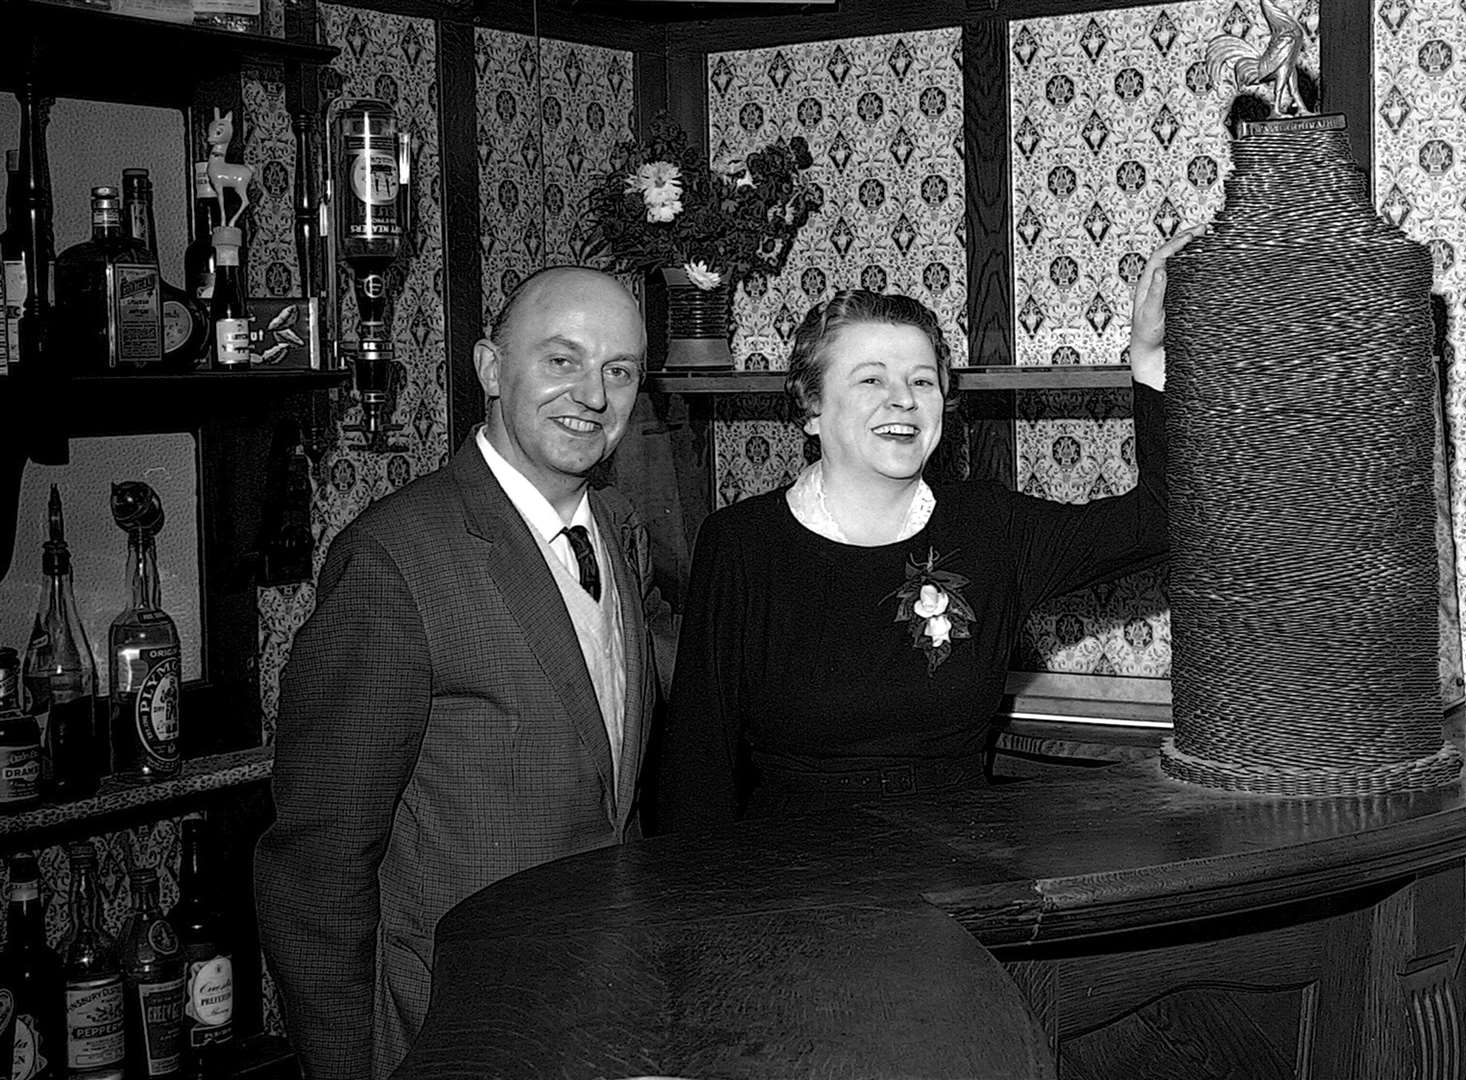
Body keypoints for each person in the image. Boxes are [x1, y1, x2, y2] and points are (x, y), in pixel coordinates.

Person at [255, 266, 663, 1079]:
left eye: (619, 371)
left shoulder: (619, 529)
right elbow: (318, 865)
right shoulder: (393, 559)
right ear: (488, 369)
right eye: (560, 360)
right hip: (456, 1032)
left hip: (606, 1014)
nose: (592, 393)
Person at [655, 231, 1198, 830]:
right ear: (811, 407)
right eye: (870, 380)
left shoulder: (992, 528)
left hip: (961, 867)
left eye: (921, 381)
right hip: (794, 881)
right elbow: (696, 762)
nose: (903, 400)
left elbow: (1161, 518)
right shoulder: (740, 543)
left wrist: (1149, 357)